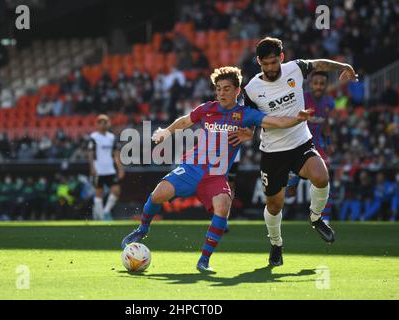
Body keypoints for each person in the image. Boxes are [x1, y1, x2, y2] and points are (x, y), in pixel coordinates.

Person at [121, 66, 312, 273]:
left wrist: (297, 118)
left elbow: (275, 121)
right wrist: (166, 132)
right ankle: (142, 229)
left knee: (223, 206)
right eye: (218, 89)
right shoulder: (207, 108)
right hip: (192, 167)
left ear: (237, 90)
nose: (221, 93)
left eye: (226, 89)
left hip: (215, 176)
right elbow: (184, 121)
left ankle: (204, 260)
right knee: (158, 194)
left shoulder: (245, 114)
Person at [242, 37, 357, 266]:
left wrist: (343, 67)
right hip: (273, 152)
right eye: (266, 64)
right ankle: (276, 244)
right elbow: (251, 119)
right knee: (275, 205)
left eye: (274, 62)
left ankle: (316, 217)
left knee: (321, 177)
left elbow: (319, 64)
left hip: (301, 142)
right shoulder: (252, 89)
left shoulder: (295, 68)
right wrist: (248, 132)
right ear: (258, 62)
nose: (271, 68)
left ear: (281, 58)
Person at [285, 71, 335, 224]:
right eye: (316, 83)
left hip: (317, 145)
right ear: (311, 84)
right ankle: (292, 181)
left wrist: (328, 142)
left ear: (326, 85)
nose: (319, 86)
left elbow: (325, 123)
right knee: (291, 192)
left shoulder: (329, 102)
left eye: (322, 83)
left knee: (325, 178)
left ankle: (323, 218)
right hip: (299, 143)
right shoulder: (302, 99)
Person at [88, 114, 125, 221]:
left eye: (106, 122)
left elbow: (116, 154)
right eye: (101, 122)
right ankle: (99, 217)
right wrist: (92, 167)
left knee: (116, 190)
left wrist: (120, 168)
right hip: (99, 169)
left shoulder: (111, 137)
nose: (104, 124)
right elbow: (90, 153)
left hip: (110, 169)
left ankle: (106, 211)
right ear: (97, 124)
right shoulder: (94, 137)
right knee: (98, 194)